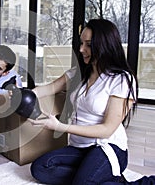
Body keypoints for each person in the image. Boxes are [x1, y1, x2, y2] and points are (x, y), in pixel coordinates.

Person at [28, 19, 155, 184]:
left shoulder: (121, 79)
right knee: (40, 168)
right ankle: (98, 177)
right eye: (81, 43)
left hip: (106, 147)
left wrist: (60, 127)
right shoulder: (78, 73)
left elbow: (107, 129)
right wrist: (24, 94)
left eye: (88, 44)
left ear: (105, 45)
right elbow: (50, 88)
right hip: (80, 148)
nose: (81, 49)